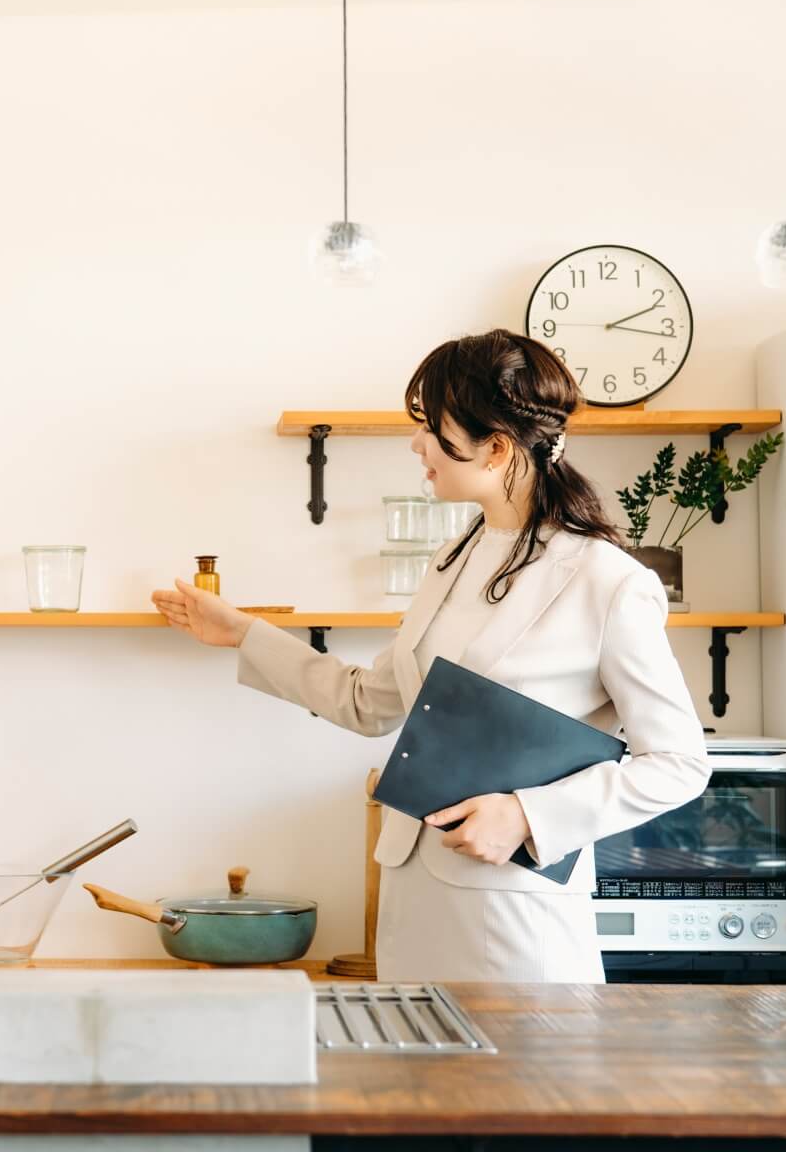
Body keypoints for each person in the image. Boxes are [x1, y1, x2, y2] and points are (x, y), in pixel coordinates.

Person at [151, 330, 710, 982]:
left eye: (432, 428)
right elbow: (369, 703)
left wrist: (528, 815)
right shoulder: (452, 561)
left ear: (496, 448)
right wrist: (244, 633)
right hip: (413, 909)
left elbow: (679, 764)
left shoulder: (607, 581)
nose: (417, 444)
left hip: (517, 920)